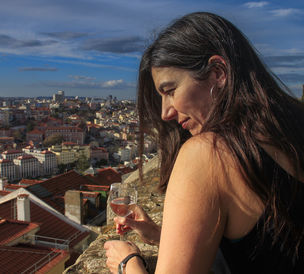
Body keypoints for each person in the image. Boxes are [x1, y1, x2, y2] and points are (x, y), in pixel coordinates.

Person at [104, 12, 304, 274]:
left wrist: (127, 263)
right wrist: (159, 234)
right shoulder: (291, 127)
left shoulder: (209, 154)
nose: (166, 112)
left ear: (218, 73)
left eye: (170, 91)